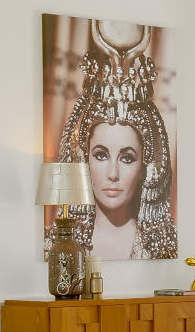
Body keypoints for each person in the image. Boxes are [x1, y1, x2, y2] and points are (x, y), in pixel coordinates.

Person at [57, 36, 177, 260]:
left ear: (144, 167)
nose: (113, 174)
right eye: (101, 156)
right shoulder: (58, 246)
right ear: (85, 161)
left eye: (127, 158)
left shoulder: (164, 250)